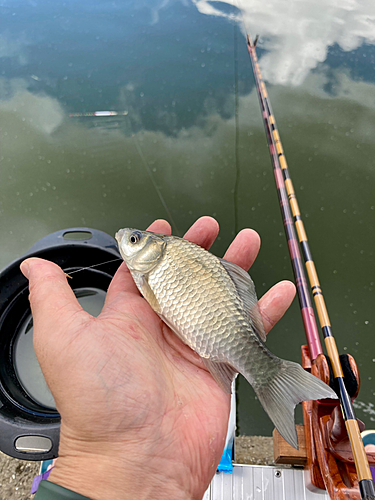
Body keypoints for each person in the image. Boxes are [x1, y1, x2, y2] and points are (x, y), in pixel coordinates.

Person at [20, 217, 296, 500]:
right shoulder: (155, 265)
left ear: (154, 249)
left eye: (134, 240)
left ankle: (270, 374)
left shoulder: (163, 262)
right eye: (134, 239)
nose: (125, 238)